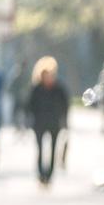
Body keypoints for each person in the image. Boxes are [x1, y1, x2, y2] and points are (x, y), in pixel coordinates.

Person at [28, 56, 69, 186]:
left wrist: (65, 121)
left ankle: (49, 175)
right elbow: (29, 106)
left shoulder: (59, 89)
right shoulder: (36, 89)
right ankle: (41, 174)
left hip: (54, 123)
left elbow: (65, 106)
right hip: (39, 123)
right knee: (40, 149)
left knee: (53, 149)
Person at [7, 60, 31, 130]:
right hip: (21, 97)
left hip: (22, 98)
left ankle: (21, 125)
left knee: (20, 112)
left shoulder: (19, 74)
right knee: (18, 112)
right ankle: (19, 125)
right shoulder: (21, 74)